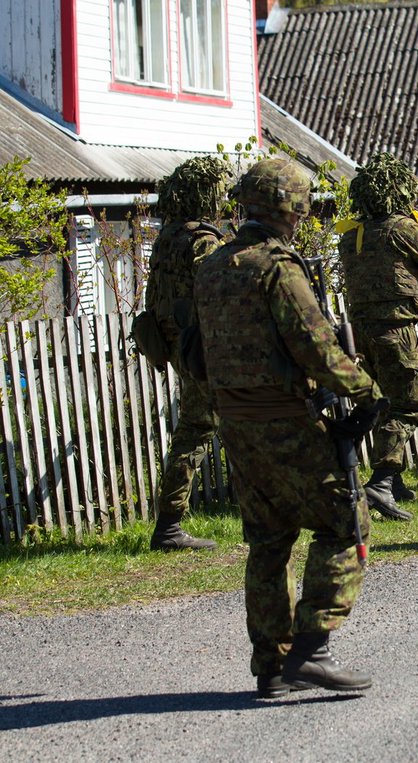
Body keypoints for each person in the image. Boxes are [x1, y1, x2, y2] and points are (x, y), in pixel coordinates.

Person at [193, 157, 387, 698]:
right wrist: (367, 392)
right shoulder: (277, 267)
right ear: (291, 208)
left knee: (268, 540)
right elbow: (315, 343)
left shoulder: (211, 265)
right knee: (345, 523)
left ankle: (271, 667)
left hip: (235, 422)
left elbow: (192, 347)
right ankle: (311, 651)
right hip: (285, 420)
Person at [339, 153, 418, 518]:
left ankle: (390, 478)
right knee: (409, 403)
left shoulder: (352, 232)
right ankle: (381, 483)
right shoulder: (402, 228)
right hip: (396, 327)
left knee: (378, 401)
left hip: (361, 330)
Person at [144, 156, 232, 551]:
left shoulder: (167, 239)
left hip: (181, 344)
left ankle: (170, 525)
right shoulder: (202, 241)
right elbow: (222, 291)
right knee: (207, 428)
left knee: (204, 426)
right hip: (207, 347)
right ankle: (169, 527)